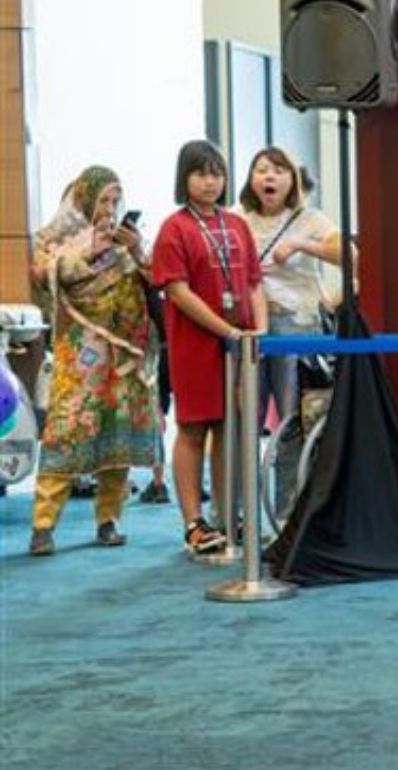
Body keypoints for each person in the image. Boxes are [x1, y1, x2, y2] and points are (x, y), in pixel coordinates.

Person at [24, 166, 162, 556]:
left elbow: (155, 278)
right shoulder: (56, 236)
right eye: (104, 199)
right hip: (79, 354)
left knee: (117, 435)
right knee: (66, 431)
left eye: (116, 200)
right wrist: (89, 251)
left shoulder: (124, 240)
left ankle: (109, 519)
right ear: (84, 197)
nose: (110, 208)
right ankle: (43, 524)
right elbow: (43, 276)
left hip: (122, 355)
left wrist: (133, 250)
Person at [150, 141, 267, 556]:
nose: (209, 181)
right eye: (200, 173)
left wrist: (260, 332)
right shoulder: (174, 228)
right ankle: (194, 523)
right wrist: (225, 330)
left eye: (216, 173)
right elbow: (178, 293)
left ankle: (225, 514)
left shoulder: (236, 225)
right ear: (184, 178)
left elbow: (254, 282)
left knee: (228, 430)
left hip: (240, 346)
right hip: (196, 343)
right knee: (195, 428)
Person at [235, 147, 344, 514]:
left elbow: (353, 258)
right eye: (261, 169)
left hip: (299, 327)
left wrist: (301, 245)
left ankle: (292, 511)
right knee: (242, 425)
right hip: (249, 330)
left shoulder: (309, 219)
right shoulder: (238, 220)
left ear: (293, 179)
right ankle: (238, 516)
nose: (269, 177)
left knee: (295, 420)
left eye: (279, 170)